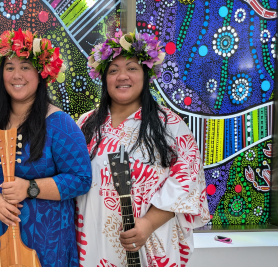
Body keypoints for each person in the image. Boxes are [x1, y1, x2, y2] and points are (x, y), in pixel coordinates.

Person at [75, 30, 210, 266]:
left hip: (148, 240)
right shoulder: (86, 124)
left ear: (146, 75)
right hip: (92, 238)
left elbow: (188, 183)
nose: (122, 76)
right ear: (104, 78)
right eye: (113, 70)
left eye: (132, 68)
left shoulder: (169, 124)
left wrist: (147, 224)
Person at [0, 29, 92, 267]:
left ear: (41, 73)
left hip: (44, 243)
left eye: (25, 67)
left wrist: (30, 188)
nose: (16, 75)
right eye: (9, 67)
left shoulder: (59, 124)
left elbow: (81, 179)